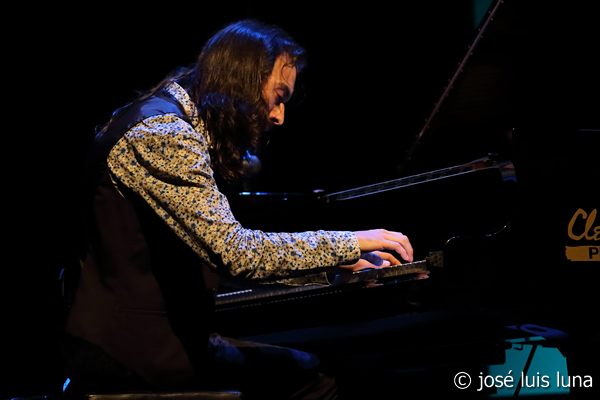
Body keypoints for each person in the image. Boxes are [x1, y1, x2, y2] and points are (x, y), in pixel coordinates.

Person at [64, 19, 414, 399]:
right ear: (243, 79)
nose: (279, 116)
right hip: (129, 350)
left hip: (149, 338)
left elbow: (208, 259)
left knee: (308, 366)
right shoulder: (163, 133)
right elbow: (236, 254)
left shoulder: (168, 122)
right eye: (279, 96)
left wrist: (332, 267)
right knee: (317, 379)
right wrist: (350, 242)